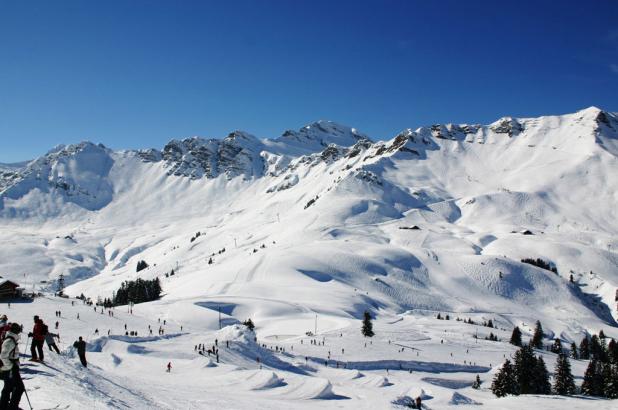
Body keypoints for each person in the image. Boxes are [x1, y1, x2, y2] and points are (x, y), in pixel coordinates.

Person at [0, 323, 24, 410]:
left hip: (9, 368)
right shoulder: (10, 341)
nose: (19, 332)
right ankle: (12, 407)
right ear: (15, 330)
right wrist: (10, 366)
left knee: (8, 387)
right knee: (19, 388)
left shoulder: (11, 339)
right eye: (18, 330)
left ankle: (3, 406)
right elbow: (3, 356)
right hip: (10, 368)